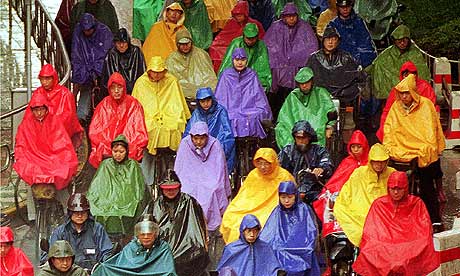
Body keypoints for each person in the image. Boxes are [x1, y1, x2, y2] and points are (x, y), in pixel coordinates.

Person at [383, 74, 445, 228]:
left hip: (421, 151)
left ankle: (433, 218)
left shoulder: (426, 105)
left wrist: (422, 149)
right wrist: (391, 148)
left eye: (407, 93)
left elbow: (430, 132)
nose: (404, 97)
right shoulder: (395, 108)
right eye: (402, 93)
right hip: (400, 151)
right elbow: (389, 131)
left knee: (426, 182)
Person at [353, 171, 440, 275]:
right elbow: (371, 231)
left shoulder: (417, 203)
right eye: (392, 188)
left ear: (405, 188)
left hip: (410, 243)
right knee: (370, 249)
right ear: (388, 188)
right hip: (384, 242)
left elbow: (424, 230)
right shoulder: (379, 204)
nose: (395, 192)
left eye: (399, 189)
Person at [132, 56, 191, 186]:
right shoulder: (141, 83)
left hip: (169, 117)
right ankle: (146, 183)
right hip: (148, 120)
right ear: (149, 71)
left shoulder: (172, 81)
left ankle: (175, 176)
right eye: (154, 71)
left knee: (175, 126)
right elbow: (136, 108)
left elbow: (178, 105)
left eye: (160, 72)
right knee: (146, 134)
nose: (157, 75)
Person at [220, 148, 295, 244]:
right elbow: (244, 196)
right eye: (259, 163)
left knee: (265, 223)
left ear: (273, 162)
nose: (262, 167)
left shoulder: (284, 176)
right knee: (232, 217)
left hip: (273, 209)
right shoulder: (254, 174)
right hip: (251, 207)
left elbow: (290, 197)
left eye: (266, 163)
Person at [146, 170, 209, 276]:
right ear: (161, 189)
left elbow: (200, 226)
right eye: (167, 189)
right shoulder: (155, 204)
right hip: (161, 247)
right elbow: (146, 225)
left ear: (179, 187)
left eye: (174, 188)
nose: (170, 191)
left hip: (189, 246)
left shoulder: (189, 201)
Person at [334, 143, 396, 246]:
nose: (379, 165)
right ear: (370, 160)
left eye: (382, 162)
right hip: (362, 211)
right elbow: (347, 192)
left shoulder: (392, 173)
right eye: (376, 161)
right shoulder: (359, 172)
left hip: (386, 213)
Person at [264, 3, 318, 118]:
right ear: (283, 16)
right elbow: (269, 47)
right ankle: (276, 116)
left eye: (293, 15)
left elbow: (311, 48)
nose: (291, 18)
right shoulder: (275, 27)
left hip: (298, 69)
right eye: (288, 16)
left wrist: (295, 60)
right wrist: (282, 61)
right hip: (279, 68)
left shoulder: (304, 27)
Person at [174, 122, 231, 232]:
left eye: (202, 138)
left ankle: (207, 224)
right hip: (189, 178)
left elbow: (220, 170)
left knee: (213, 189)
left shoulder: (215, 144)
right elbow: (180, 168)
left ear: (207, 137)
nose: (198, 142)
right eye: (195, 138)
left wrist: (214, 183)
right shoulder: (185, 144)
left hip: (210, 178)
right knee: (185, 190)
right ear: (191, 137)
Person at [14, 93, 78, 190]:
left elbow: (63, 143)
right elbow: (21, 146)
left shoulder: (55, 121)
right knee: (29, 167)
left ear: (46, 109)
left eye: (41, 109)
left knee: (64, 166)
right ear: (32, 110)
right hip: (33, 158)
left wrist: (59, 157)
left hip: (53, 157)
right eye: (36, 110)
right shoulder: (25, 125)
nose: (39, 113)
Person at [87, 135, 147, 237]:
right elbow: (97, 186)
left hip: (127, 202)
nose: (118, 155)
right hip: (106, 201)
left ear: (126, 151)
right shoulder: (106, 164)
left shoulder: (133, 165)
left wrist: (133, 201)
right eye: (115, 151)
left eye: (121, 151)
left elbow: (138, 188)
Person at [313, 130, 369, 237]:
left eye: (359, 147)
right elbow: (336, 180)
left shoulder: (369, 163)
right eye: (353, 147)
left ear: (364, 147)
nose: (356, 150)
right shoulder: (347, 162)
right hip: (344, 193)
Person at [88, 72, 148, 168]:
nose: (116, 91)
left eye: (119, 87)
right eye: (113, 87)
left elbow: (139, 131)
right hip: (108, 147)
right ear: (109, 89)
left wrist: (125, 146)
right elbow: (95, 131)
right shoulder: (103, 105)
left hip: (128, 146)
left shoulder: (133, 104)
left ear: (124, 88)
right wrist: (109, 145)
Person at [260, 181, 321, 275]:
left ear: (295, 196)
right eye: (283, 197)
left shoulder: (304, 209)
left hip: (301, 248)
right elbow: (268, 233)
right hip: (281, 247)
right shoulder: (277, 211)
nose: (286, 201)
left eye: (290, 197)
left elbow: (310, 232)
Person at [44, 193, 112, 271]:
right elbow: (52, 255)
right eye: (76, 212)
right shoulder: (60, 232)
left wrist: (104, 267)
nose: (80, 215)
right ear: (70, 213)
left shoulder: (97, 229)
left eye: (83, 212)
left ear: (88, 213)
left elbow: (107, 252)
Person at [215, 48, 272, 139]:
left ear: (247, 60)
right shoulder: (226, 75)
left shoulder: (252, 74)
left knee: (256, 115)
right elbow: (220, 97)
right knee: (227, 116)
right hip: (231, 109)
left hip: (249, 109)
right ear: (232, 60)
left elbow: (259, 96)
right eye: (237, 60)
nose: (240, 63)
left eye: (243, 60)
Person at [92, 215, 177, 275]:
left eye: (149, 233)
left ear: (155, 234)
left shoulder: (163, 248)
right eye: (142, 234)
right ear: (137, 235)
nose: (146, 237)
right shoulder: (131, 247)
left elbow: (169, 272)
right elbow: (117, 268)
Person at [376, 61, 438, 141]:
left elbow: (430, 109)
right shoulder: (396, 89)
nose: (409, 77)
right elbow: (388, 111)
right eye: (406, 75)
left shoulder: (425, 87)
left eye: (412, 74)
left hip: (419, 122)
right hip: (401, 122)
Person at [275, 67, 336, 148]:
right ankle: (290, 153)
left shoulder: (321, 93)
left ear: (312, 81)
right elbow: (284, 117)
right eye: (301, 83)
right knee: (280, 128)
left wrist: (329, 127)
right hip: (295, 130)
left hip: (316, 130)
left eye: (307, 82)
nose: (304, 86)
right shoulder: (293, 95)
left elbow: (331, 112)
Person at [368, 24, 431, 100]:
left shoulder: (415, 53)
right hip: (391, 96)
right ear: (394, 41)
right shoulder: (387, 54)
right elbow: (374, 65)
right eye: (399, 40)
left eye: (404, 40)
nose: (402, 43)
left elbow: (422, 72)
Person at [71, 13, 113, 125]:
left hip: (101, 74)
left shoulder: (104, 32)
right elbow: (77, 56)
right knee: (86, 92)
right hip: (86, 72)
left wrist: (95, 72)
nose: (87, 33)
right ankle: (82, 116)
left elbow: (104, 54)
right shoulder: (79, 33)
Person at [278, 120, 334, 204]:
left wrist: (322, 169)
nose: (301, 141)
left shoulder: (319, 150)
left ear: (309, 138)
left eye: (304, 138)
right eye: (298, 138)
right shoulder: (287, 150)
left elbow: (328, 165)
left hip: (313, 191)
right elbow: (278, 170)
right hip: (290, 191)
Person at [183, 87, 236, 171]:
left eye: (208, 100)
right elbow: (188, 132)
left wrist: (222, 152)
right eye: (202, 101)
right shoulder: (197, 113)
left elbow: (228, 134)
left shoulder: (221, 111)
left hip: (218, 149)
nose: (205, 104)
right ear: (198, 102)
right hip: (200, 149)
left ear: (212, 99)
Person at [26, 64, 83, 141]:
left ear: (54, 78)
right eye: (42, 79)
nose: (44, 82)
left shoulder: (65, 94)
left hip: (59, 132)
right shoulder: (38, 92)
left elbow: (69, 117)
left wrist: (52, 125)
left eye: (47, 79)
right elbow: (30, 115)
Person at [209, 1, 265, 72]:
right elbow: (222, 37)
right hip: (233, 46)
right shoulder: (232, 23)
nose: (238, 18)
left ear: (245, 14)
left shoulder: (254, 24)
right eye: (236, 15)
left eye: (240, 15)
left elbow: (261, 39)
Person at [217, 214, 282, 275]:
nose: (252, 235)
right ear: (243, 231)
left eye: (255, 231)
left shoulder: (265, 248)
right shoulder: (232, 249)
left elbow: (274, 269)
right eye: (249, 231)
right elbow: (222, 271)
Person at [218, 23, 272, 92]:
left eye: (253, 38)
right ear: (243, 35)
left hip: (252, 79)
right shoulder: (236, 43)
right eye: (248, 38)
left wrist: (263, 84)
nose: (250, 41)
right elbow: (227, 64)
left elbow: (264, 68)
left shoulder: (261, 45)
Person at [165, 29, 218, 99]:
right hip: (183, 90)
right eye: (182, 44)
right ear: (177, 44)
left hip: (203, 86)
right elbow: (171, 79)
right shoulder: (172, 58)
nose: (185, 46)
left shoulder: (201, 54)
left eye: (187, 43)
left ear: (191, 42)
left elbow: (209, 75)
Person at [327, 0, 377, 67]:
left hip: (365, 60)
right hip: (343, 64)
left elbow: (367, 43)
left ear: (351, 6)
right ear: (338, 7)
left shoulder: (359, 21)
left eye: (347, 6)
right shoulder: (333, 25)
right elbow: (330, 49)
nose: (345, 9)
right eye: (342, 7)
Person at [101, 28, 146, 95]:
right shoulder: (111, 54)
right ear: (115, 43)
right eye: (119, 43)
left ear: (128, 42)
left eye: (124, 43)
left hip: (135, 89)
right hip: (117, 91)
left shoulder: (136, 51)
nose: (121, 46)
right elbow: (107, 77)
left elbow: (142, 72)